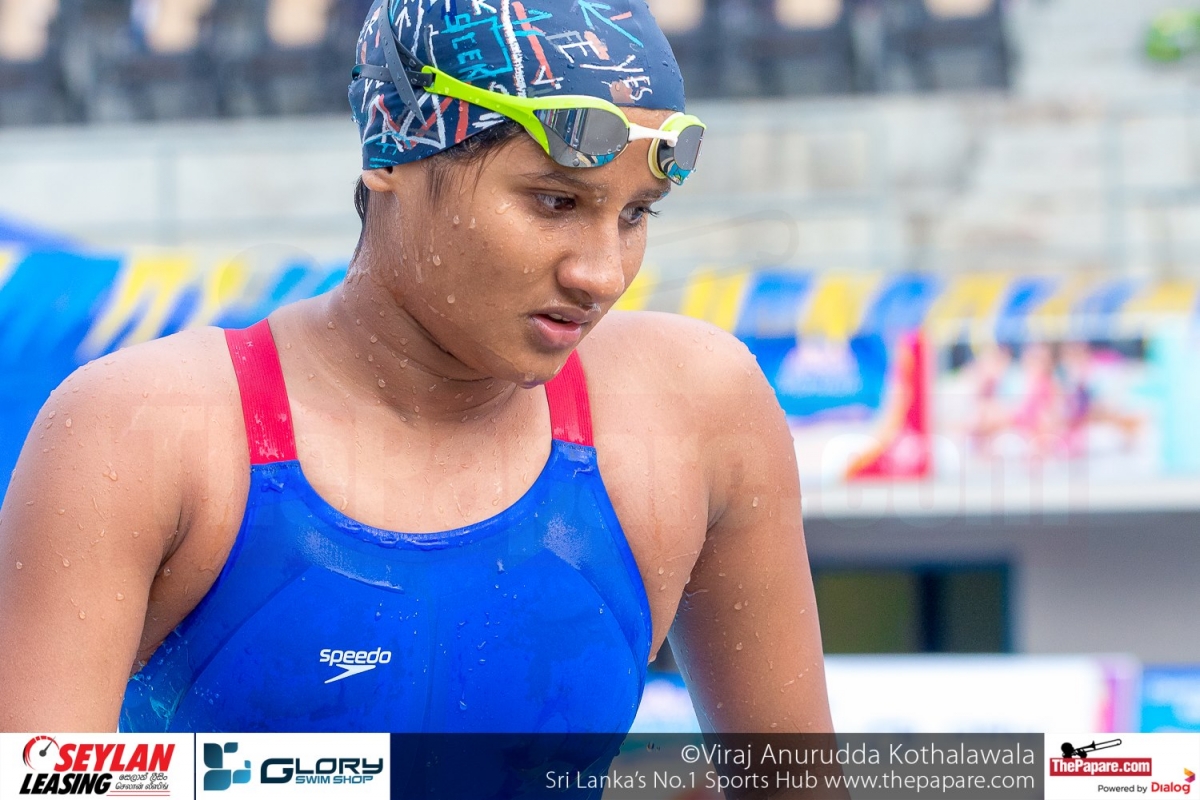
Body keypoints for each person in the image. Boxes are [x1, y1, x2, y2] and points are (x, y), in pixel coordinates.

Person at [0, 0, 834, 753]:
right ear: (391, 152)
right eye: (554, 201)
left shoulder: (692, 414)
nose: (602, 273)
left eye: (635, 214)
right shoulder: (146, 432)